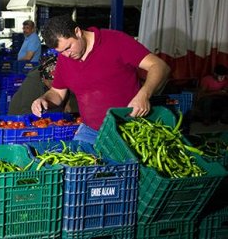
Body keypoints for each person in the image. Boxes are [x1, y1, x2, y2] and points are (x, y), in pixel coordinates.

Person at [31, 15, 170, 144]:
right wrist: (44, 99)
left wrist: (144, 95)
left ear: (78, 32)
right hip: (90, 131)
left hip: (128, 128)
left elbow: (159, 66)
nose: (67, 55)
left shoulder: (116, 41)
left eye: (69, 47)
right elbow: (57, 93)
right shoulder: (64, 58)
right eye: (61, 52)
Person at [8, 54, 78, 115]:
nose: (56, 84)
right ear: (44, 79)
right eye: (52, 82)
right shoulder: (33, 82)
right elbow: (26, 110)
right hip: (21, 115)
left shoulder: (68, 77)